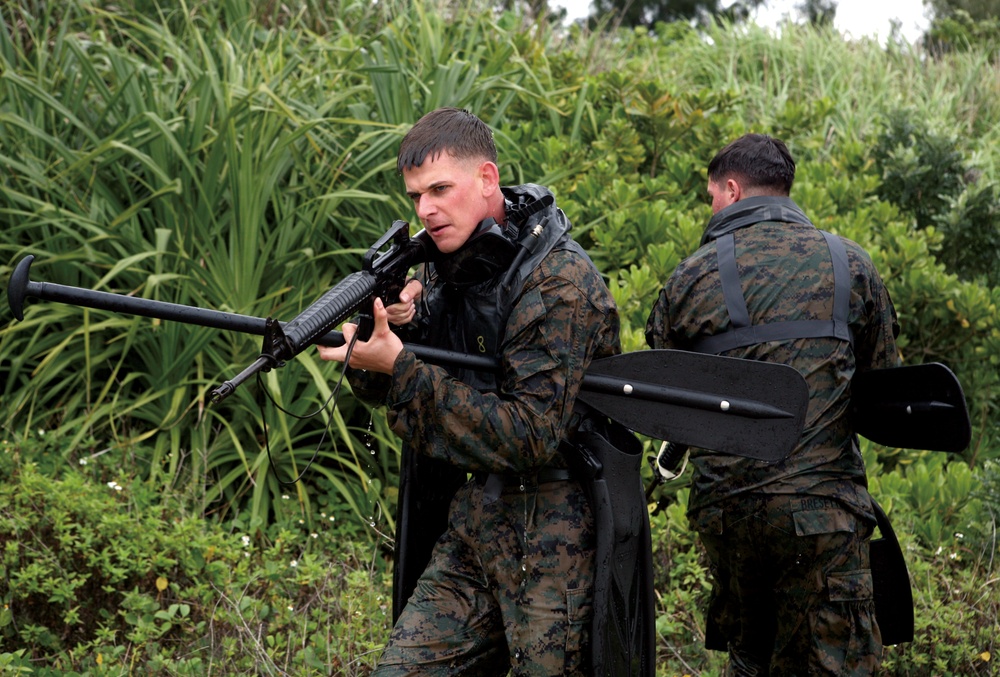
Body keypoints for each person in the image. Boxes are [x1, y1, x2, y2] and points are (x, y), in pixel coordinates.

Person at [318, 107, 623, 674]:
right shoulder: (445, 264)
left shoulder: (558, 282)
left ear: (486, 179)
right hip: (476, 523)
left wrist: (403, 366)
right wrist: (391, 335)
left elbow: (528, 435)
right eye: (415, 196)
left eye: (439, 189)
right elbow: (392, 386)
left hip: (557, 536)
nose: (426, 210)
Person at [645, 133, 900, 675]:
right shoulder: (850, 263)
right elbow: (882, 390)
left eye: (711, 195)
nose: (710, 207)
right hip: (823, 514)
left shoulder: (689, 277)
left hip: (728, 516)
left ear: (732, 190)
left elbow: (668, 389)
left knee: (750, 658)